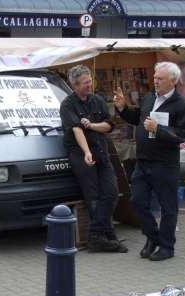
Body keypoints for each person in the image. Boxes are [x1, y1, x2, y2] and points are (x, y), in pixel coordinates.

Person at [114, 61, 185, 261]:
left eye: (160, 79)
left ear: (173, 81)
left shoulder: (181, 105)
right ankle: (152, 237)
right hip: (143, 160)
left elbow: (183, 135)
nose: (155, 81)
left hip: (164, 164)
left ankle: (167, 247)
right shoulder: (149, 97)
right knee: (137, 202)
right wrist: (123, 109)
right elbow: (138, 119)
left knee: (168, 208)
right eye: (155, 78)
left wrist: (159, 129)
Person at [60, 65, 127, 253]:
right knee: (93, 197)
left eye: (90, 81)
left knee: (112, 192)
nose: (90, 85)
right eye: (85, 83)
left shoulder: (97, 100)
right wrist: (86, 152)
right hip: (81, 155)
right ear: (74, 85)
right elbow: (76, 129)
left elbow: (108, 126)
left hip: (101, 151)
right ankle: (106, 235)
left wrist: (92, 125)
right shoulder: (67, 105)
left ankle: (97, 235)